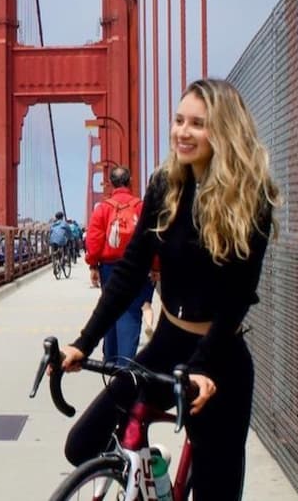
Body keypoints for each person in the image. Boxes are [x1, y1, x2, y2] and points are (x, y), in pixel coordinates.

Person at [59, 79, 280, 500]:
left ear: (225, 131)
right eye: (179, 120)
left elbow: (237, 298)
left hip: (219, 359)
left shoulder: (252, 198)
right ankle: (154, 481)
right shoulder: (165, 187)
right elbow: (129, 272)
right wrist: (83, 344)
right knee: (82, 444)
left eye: (198, 123)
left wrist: (201, 366)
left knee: (216, 491)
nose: (183, 131)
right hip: (166, 343)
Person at [84, 166, 153, 362]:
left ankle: (110, 359)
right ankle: (125, 365)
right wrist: (155, 266)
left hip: (109, 267)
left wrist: (93, 265)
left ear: (110, 183)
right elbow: (152, 237)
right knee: (130, 311)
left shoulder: (103, 208)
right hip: (137, 266)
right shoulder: (141, 206)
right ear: (130, 181)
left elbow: (94, 240)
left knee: (109, 306)